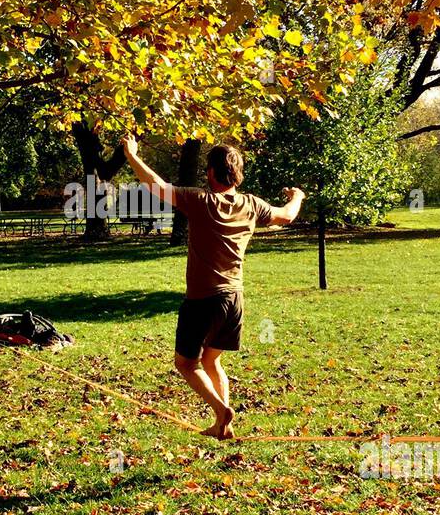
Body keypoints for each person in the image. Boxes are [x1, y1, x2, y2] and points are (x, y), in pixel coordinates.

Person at [121, 134, 304, 438]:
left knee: (187, 364)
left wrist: (131, 154)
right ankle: (223, 424)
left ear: (209, 172)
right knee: (212, 359)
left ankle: (221, 410)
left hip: (203, 300)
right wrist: (297, 196)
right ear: (237, 174)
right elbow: (286, 216)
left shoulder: (199, 200)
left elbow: (156, 185)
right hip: (234, 299)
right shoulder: (251, 205)